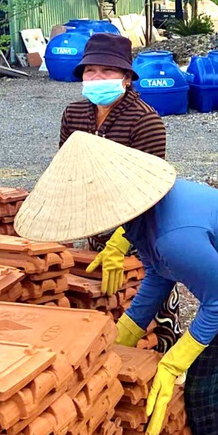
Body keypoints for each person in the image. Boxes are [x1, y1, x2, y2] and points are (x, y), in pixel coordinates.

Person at [16, 132, 218, 435]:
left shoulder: (175, 235)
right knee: (205, 395)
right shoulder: (142, 219)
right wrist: (125, 333)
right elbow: (160, 273)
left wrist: (174, 362)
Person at [57, 32, 181, 352]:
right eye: (90, 71)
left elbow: (150, 190)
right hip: (95, 226)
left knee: (151, 312)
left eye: (107, 71)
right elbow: (66, 174)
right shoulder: (74, 115)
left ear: (126, 77)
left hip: (142, 232)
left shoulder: (145, 120)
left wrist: (121, 242)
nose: (97, 78)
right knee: (102, 304)